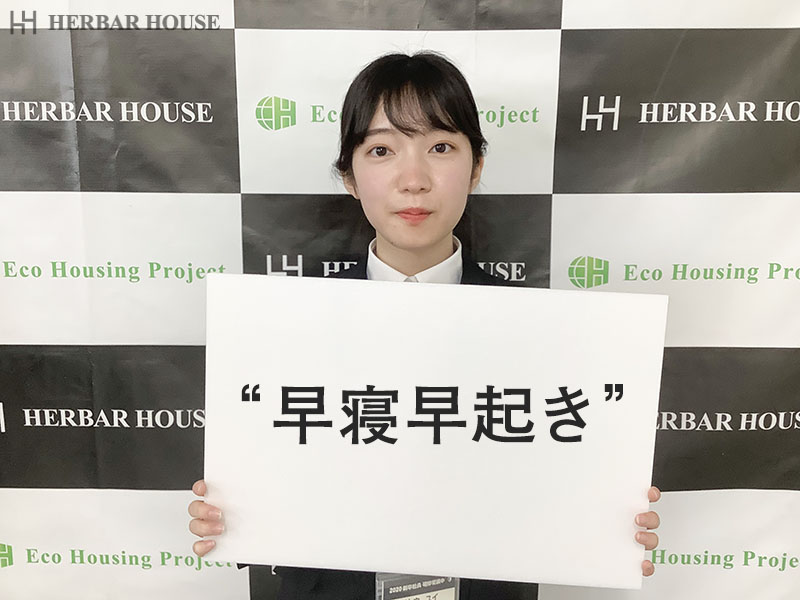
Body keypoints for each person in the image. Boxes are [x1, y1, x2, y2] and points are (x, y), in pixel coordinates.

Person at [189, 51, 662, 599]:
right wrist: (229, 514)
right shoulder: (284, 327)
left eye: (440, 147)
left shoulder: (543, 337)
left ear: (476, 166)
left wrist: (611, 520)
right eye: (382, 150)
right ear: (349, 176)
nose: (413, 180)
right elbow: (265, 483)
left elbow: (564, 490)